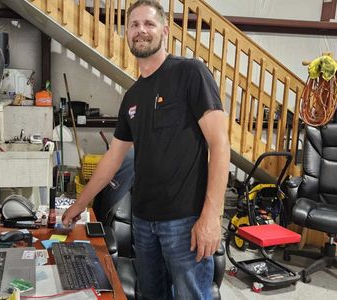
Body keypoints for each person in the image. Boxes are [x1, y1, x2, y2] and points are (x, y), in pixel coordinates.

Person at [62, 0, 230, 298]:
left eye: (149, 24)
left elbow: (219, 144)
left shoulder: (190, 73)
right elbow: (112, 159)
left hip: (185, 221)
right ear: (126, 33)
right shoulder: (133, 96)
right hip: (143, 222)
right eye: (134, 25)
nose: (141, 30)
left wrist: (211, 217)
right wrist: (78, 205)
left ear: (165, 31)